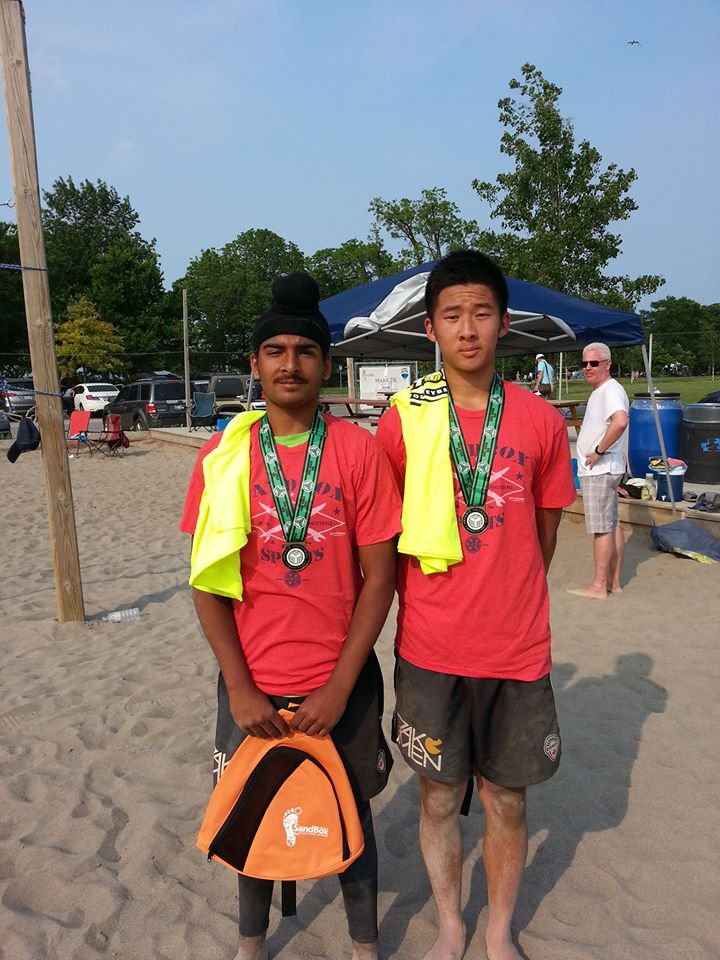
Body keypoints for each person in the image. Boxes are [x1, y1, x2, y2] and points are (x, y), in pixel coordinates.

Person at [180, 272, 402, 960]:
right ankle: (251, 944)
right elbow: (207, 585)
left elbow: (380, 579)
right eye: (275, 351)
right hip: (253, 682)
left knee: (351, 815)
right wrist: (239, 686)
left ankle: (364, 945)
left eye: (305, 352)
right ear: (254, 363)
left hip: (341, 682)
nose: (289, 364)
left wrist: (339, 687)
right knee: (253, 814)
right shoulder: (223, 458)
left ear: (326, 364)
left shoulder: (359, 452)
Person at [376, 250, 575, 960]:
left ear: (503, 322)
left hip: (516, 649)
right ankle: (452, 923)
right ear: (431, 327)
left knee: (507, 800)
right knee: (437, 796)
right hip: (430, 647)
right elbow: (385, 531)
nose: (468, 329)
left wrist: (506, 589)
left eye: (482, 313)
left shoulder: (540, 420)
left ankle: (497, 930)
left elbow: (544, 532)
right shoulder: (404, 420)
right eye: (453, 315)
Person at [568, 342, 629, 599]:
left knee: (602, 527)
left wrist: (599, 451)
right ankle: (613, 583)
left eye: (594, 363)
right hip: (604, 469)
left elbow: (620, 421)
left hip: (600, 470)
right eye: (584, 364)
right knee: (612, 524)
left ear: (607, 364)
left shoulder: (610, 390)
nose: (588, 368)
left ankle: (598, 586)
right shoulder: (602, 391)